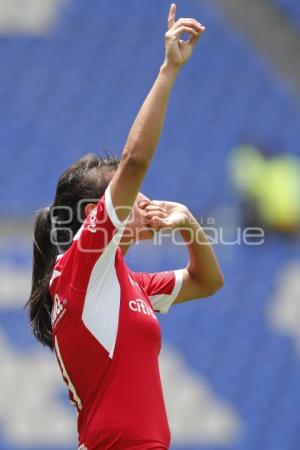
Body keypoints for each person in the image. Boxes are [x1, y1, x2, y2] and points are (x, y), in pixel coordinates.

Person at [27, 4, 224, 450]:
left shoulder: (123, 283)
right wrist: (168, 71)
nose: (147, 202)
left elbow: (207, 281)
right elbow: (134, 160)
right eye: (133, 197)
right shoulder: (84, 261)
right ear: (96, 213)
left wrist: (190, 227)